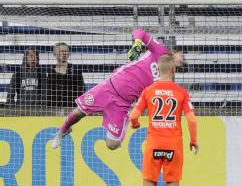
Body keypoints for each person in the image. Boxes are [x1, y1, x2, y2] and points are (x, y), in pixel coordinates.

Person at [51, 28, 183, 150]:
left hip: (123, 103)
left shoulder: (166, 78)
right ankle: (63, 130)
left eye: (182, 62)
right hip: (110, 87)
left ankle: (120, 125)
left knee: (112, 145)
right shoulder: (160, 50)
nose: (182, 60)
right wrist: (137, 42)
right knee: (79, 112)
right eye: (181, 56)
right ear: (174, 52)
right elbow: (139, 32)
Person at [129, 54, 198, 186]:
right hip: (174, 144)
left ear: (158, 70)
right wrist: (193, 140)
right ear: (174, 70)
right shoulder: (181, 92)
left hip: (154, 143)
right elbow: (191, 119)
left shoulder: (148, 91)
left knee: (148, 182)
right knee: (173, 185)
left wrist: (135, 125)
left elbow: (133, 116)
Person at [46, 42, 85, 108]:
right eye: (61, 51)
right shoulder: (49, 71)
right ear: (55, 54)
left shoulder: (76, 70)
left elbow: (81, 90)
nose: (64, 53)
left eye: (66, 51)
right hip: (53, 108)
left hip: (72, 107)